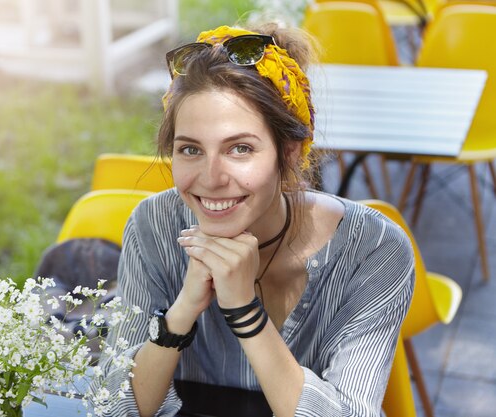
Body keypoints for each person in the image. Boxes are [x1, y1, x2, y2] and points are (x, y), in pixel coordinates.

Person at [98, 23, 415, 417]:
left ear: (290, 153)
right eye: (191, 149)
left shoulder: (374, 251)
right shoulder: (153, 225)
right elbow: (110, 407)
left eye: (240, 149)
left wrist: (244, 311)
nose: (211, 179)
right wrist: (181, 313)